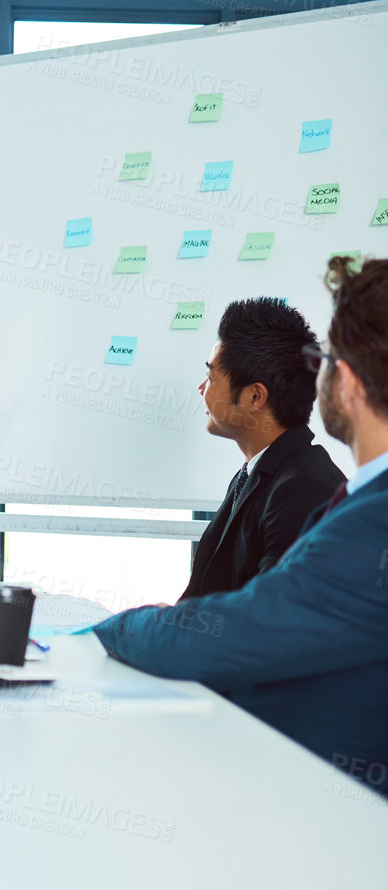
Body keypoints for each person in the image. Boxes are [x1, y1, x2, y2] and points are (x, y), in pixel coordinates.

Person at [94, 255, 388, 796]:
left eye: (327, 356)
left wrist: (107, 629)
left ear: (345, 380)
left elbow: (250, 633)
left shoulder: (360, 519)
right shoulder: (300, 485)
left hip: (309, 800)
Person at [181, 297, 346, 599]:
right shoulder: (259, 471)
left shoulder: (304, 488)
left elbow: (268, 621)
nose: (201, 389)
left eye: (210, 376)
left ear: (255, 397)